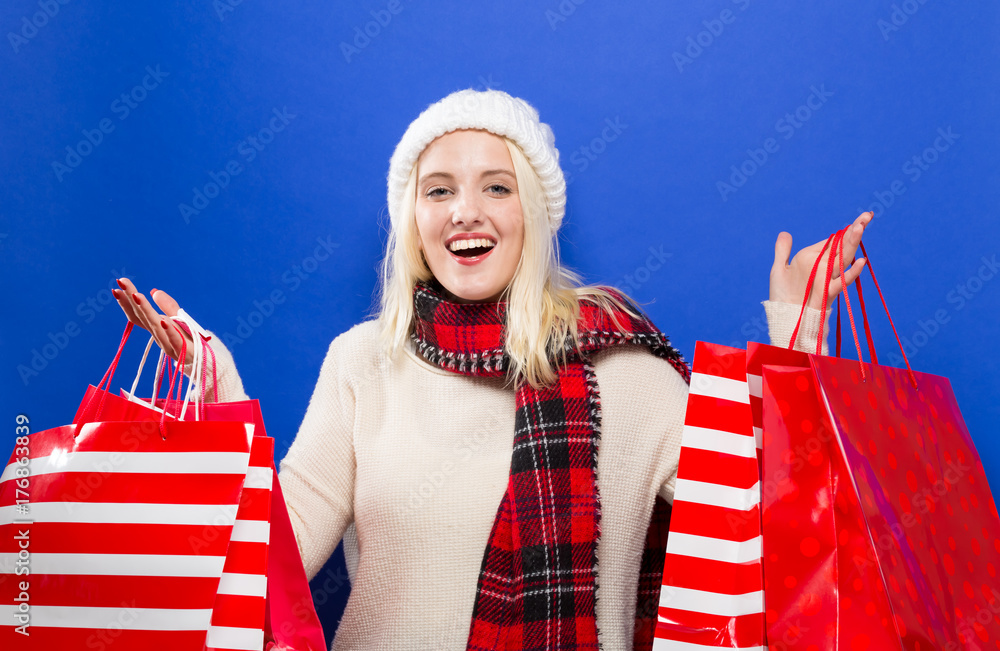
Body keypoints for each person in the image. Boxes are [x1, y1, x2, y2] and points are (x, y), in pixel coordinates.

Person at [112, 88, 872, 650]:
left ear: (534, 214)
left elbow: (770, 525)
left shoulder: (630, 373)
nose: (464, 211)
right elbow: (262, 565)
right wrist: (219, 408)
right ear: (413, 219)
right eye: (438, 190)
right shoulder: (363, 361)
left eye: (496, 187)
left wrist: (798, 334)